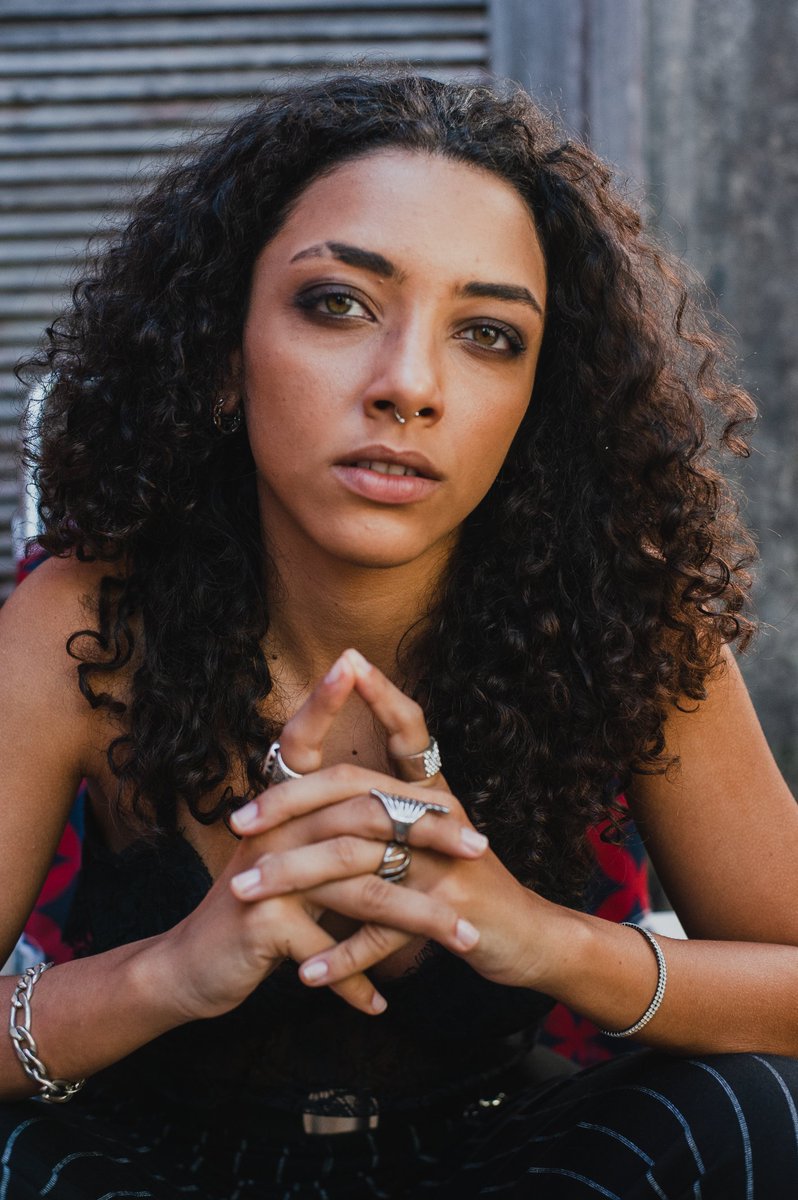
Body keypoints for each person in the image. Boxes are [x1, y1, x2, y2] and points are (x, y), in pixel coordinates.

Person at [0, 69, 797, 1199]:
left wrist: (544, 940)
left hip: (507, 1160)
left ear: (540, 399)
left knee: (763, 1108)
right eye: (338, 304)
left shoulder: (625, 619)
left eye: (488, 334)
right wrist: (170, 970)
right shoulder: (87, 620)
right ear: (222, 353)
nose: (410, 386)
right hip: (140, 1165)